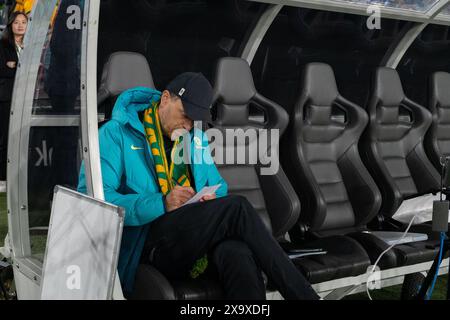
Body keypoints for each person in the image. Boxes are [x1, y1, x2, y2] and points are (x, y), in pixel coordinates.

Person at [78, 72, 320, 300]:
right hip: (145, 242)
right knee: (237, 208)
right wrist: (162, 202)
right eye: (184, 115)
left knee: (236, 253)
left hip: (190, 240)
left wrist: (208, 202)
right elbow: (94, 201)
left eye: (194, 120)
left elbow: (218, 187)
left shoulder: (194, 139)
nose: (187, 125)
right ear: (165, 99)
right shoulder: (115, 133)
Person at [0, 11, 27, 193]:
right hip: (6, 96)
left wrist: (14, 66)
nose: (20, 25)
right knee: (4, 137)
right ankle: (2, 177)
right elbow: (3, 70)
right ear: (10, 24)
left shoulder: (30, 46)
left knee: (19, 137)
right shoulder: (3, 45)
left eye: (23, 22)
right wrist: (17, 67)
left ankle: (16, 176)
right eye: (16, 22)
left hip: (24, 97)